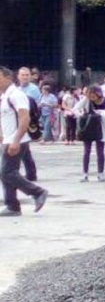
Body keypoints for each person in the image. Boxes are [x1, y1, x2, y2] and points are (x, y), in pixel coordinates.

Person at [0, 66, 48, 217]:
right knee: (7, 172)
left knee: (7, 172)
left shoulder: (16, 95)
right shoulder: (5, 96)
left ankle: (37, 192)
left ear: (7, 77)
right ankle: (12, 205)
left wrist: (15, 140)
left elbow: (24, 118)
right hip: (9, 138)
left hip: (17, 139)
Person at [74, 85, 105, 182]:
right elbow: (75, 108)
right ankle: (85, 174)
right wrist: (81, 115)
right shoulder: (87, 100)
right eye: (89, 95)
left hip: (100, 128)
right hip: (88, 128)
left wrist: (101, 113)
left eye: (93, 95)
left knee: (100, 152)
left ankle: (101, 173)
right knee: (87, 151)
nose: (92, 98)